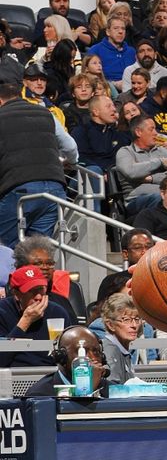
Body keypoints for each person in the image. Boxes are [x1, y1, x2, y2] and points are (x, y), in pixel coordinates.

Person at [0, 83, 77, 248]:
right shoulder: (46, 113)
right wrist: (71, 162)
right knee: (38, 252)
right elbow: (70, 147)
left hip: (19, 188)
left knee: (5, 249)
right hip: (55, 189)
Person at [0, 266, 73, 367]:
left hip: (51, 375)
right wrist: (25, 322)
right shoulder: (3, 311)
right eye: (31, 291)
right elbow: (2, 360)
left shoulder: (57, 312)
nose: (38, 297)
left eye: (41, 290)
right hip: (13, 377)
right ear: (17, 294)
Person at [115, 115, 167, 215]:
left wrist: (152, 178)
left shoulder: (162, 151)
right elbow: (132, 172)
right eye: (151, 129)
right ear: (138, 132)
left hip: (165, 195)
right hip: (136, 201)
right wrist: (159, 162)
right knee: (161, 198)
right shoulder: (125, 152)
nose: (156, 133)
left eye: (155, 129)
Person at [26, 325, 109, 397]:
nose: (93, 358)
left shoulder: (111, 390)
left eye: (96, 351)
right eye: (83, 352)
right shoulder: (40, 394)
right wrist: (88, 391)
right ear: (62, 357)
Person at [101, 293, 141, 384]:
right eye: (126, 320)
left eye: (137, 319)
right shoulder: (109, 351)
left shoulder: (121, 349)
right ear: (110, 325)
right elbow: (112, 390)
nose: (134, 325)